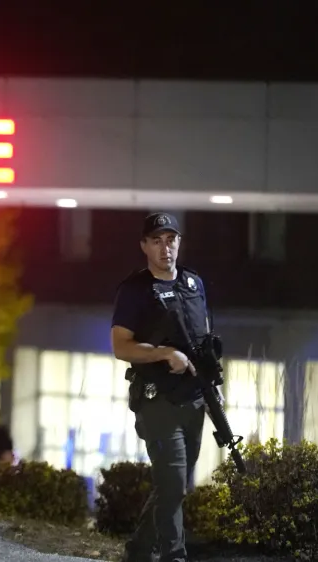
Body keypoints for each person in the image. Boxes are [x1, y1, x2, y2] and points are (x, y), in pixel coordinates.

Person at [110, 212, 213, 562]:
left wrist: (214, 383)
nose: (165, 248)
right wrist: (163, 353)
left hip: (194, 398)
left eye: (171, 240)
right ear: (144, 246)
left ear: (179, 243)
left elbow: (204, 342)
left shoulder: (193, 285)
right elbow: (121, 346)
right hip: (157, 400)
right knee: (172, 483)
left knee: (176, 484)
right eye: (156, 241)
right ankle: (174, 556)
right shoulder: (135, 289)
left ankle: (138, 550)